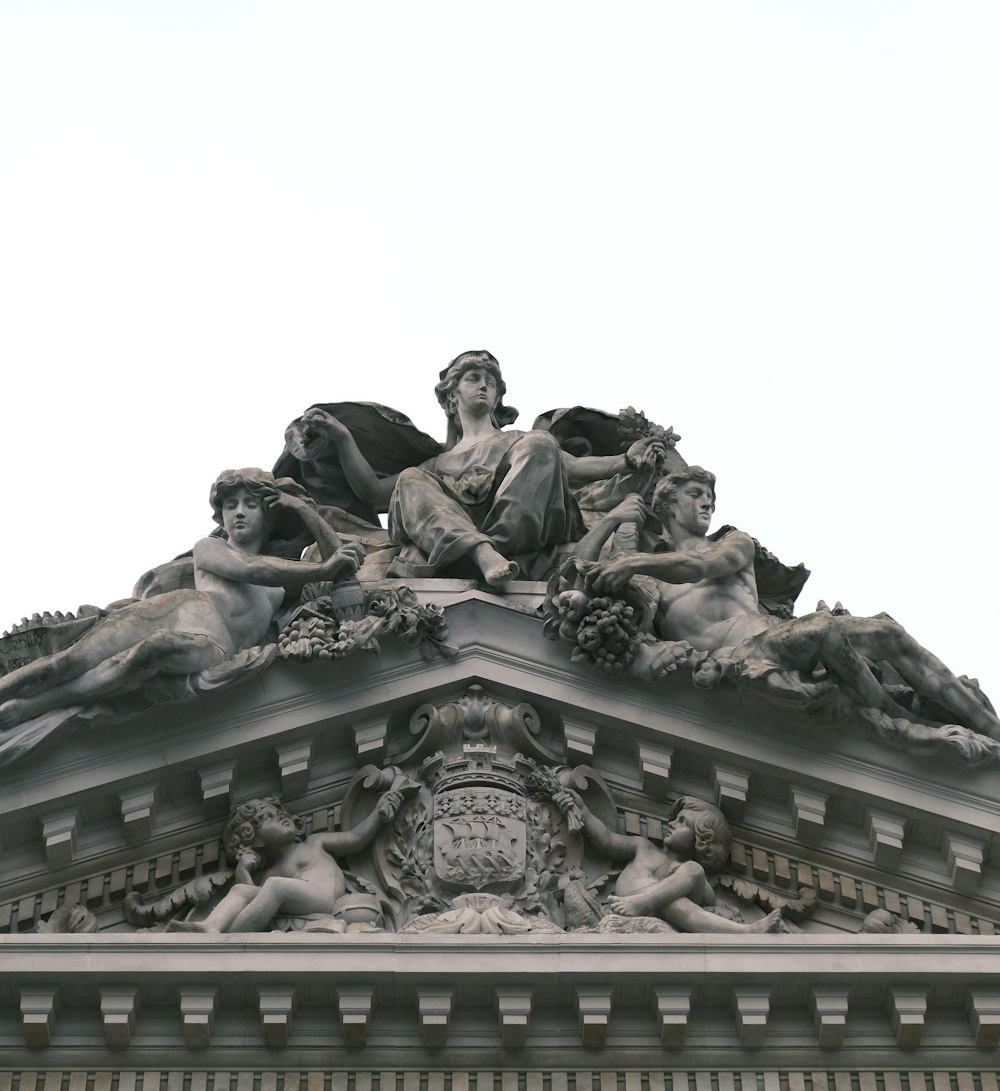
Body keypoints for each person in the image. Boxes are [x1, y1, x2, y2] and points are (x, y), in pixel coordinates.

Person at [592, 466, 1000, 743]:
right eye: (695, 495)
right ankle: (901, 722)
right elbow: (585, 577)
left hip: (770, 638)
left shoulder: (735, 542)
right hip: (739, 658)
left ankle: (989, 731)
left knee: (886, 631)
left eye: (711, 498)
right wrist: (613, 523)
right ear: (667, 505)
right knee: (823, 630)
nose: (707, 504)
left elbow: (704, 564)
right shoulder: (647, 582)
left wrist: (634, 559)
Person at [0, 469, 364, 730]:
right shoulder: (210, 548)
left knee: (145, 655)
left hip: (215, 644)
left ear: (268, 516)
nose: (238, 511)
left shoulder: (282, 586)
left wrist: (301, 510)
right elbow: (250, 568)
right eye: (231, 504)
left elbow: (344, 567)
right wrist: (319, 570)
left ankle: (39, 704)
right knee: (64, 662)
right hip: (177, 611)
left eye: (251, 504)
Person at [294, 351, 667, 587]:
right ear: (451, 396)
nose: (484, 386)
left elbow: (575, 468)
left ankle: (486, 550)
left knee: (541, 444)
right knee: (409, 480)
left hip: (523, 531)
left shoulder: (519, 440)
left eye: (491, 383)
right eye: (473, 379)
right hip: (471, 542)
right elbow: (374, 494)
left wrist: (625, 460)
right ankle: (482, 554)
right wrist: (343, 438)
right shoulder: (435, 465)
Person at [173, 781, 411, 933]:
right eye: (267, 818)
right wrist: (243, 870)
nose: (279, 816)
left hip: (325, 897)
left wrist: (379, 815)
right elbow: (248, 893)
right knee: (241, 891)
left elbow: (356, 838)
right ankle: (211, 928)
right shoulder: (271, 873)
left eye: (277, 812)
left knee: (275, 887)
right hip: (298, 899)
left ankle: (231, 936)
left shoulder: (314, 843)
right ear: (255, 839)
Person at [551, 787, 783, 933]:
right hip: (625, 905)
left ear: (702, 840)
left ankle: (747, 932)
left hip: (647, 907)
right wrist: (583, 809)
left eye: (682, 822)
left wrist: (649, 900)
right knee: (675, 899)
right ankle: (644, 902)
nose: (671, 823)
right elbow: (606, 841)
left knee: (686, 884)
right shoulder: (643, 847)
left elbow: (702, 901)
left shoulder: (691, 875)